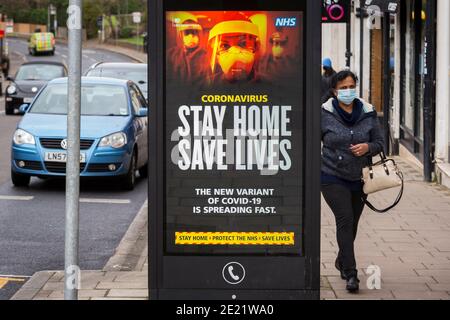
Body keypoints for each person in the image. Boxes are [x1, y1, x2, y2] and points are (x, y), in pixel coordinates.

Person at [321, 70, 384, 293]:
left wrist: (368, 147)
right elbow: (312, 140)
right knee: (345, 219)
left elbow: (380, 142)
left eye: (351, 86)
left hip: (359, 178)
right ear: (334, 91)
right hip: (331, 176)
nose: (348, 91)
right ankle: (351, 273)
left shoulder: (367, 112)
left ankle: (341, 259)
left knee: (352, 224)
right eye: (343, 88)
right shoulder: (324, 113)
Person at [207, 12, 263, 85]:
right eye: (224, 46)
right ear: (216, 54)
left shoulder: (271, 86)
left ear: (256, 47)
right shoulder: (209, 85)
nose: (235, 54)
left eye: (244, 44)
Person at [167, 12, 208, 85]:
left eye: (194, 33)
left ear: (199, 35)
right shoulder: (171, 55)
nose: (191, 37)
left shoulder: (206, 56)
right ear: (181, 36)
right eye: (187, 33)